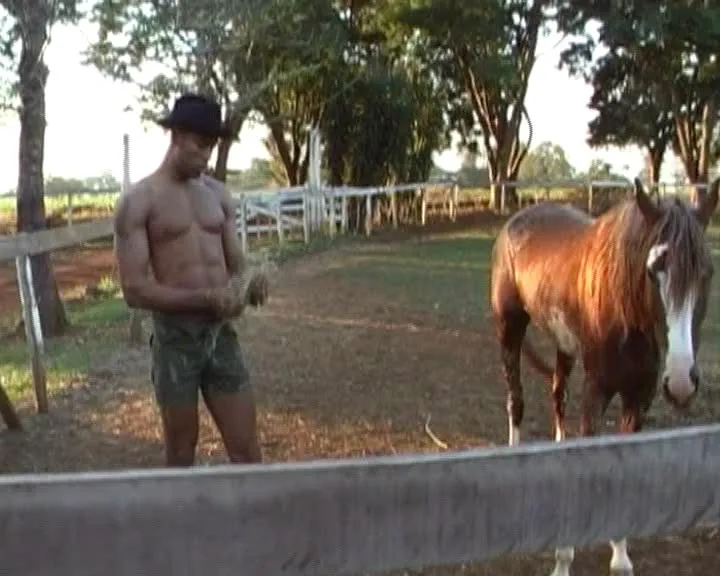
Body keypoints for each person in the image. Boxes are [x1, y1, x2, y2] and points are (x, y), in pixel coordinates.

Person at [113, 93, 267, 467]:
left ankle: (254, 507)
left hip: (220, 335)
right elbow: (134, 290)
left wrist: (250, 281)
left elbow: (236, 262)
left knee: (247, 449)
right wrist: (207, 299)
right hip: (176, 341)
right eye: (201, 144)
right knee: (181, 452)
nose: (207, 156)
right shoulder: (139, 201)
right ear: (177, 136)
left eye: (212, 146)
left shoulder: (217, 195)